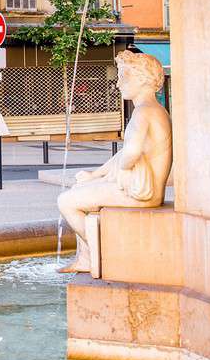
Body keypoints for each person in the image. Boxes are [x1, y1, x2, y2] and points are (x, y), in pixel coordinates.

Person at [57, 49, 172, 274]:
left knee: (66, 202)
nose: (118, 84)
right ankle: (85, 259)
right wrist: (96, 175)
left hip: (142, 194)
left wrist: (123, 170)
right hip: (143, 190)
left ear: (141, 79)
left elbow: (131, 152)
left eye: (123, 77)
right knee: (81, 187)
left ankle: (103, 250)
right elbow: (123, 154)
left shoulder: (144, 113)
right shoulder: (153, 110)